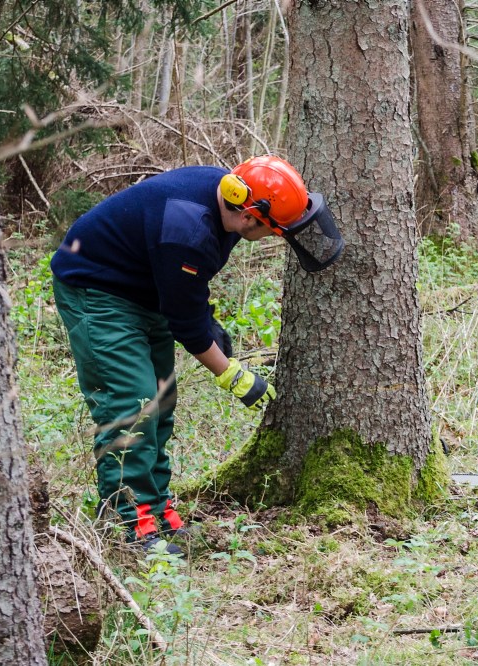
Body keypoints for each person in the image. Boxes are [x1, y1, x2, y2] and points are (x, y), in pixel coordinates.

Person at [51, 155, 344, 555]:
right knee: (134, 404)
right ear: (249, 216)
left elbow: (188, 286)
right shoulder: (188, 227)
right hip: (98, 291)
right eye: (272, 230)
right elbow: (186, 323)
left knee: (160, 401)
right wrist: (232, 375)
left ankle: (156, 510)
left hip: (146, 290)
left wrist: (207, 321)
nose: (272, 237)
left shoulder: (228, 203)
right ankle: (130, 525)